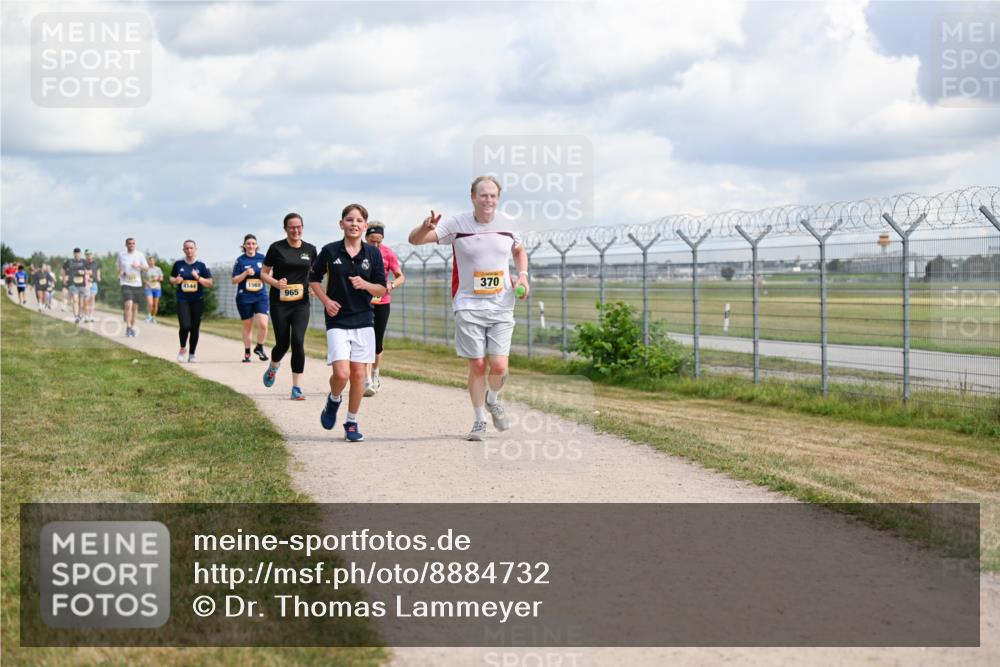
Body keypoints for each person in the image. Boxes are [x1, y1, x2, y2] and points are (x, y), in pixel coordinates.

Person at [408, 175, 529, 441]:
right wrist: (423, 226)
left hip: (501, 304)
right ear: (473, 197)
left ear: (498, 198)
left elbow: (519, 251)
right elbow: (415, 241)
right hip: (468, 304)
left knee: (499, 367)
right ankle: (478, 421)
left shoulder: (508, 224)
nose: (488, 200)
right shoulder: (457, 224)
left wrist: (522, 276)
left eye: (493, 195)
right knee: (476, 364)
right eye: (483, 195)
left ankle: (493, 399)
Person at [310, 203, 386, 442]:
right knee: (341, 374)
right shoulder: (330, 251)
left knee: (357, 376)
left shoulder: (372, 254)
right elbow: (313, 279)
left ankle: (351, 421)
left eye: (359, 220)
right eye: (349, 220)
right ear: (341, 224)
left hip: (364, 319)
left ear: (365, 225)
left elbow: (382, 288)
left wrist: (365, 285)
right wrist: (326, 300)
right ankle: (333, 400)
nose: (354, 224)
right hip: (337, 319)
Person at [261, 213, 317, 400]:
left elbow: (313, 273)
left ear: (302, 227)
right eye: (291, 227)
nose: (295, 230)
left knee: (298, 341)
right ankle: (274, 366)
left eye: (298, 226)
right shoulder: (276, 248)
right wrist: (276, 283)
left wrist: (314, 288)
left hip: (301, 303)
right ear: (285, 228)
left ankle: (296, 388)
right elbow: (264, 273)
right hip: (280, 303)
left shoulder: (310, 249)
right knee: (282, 344)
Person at [362, 221, 405, 396]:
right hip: (362, 302)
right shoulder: (359, 252)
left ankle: (375, 374)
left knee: (377, 341)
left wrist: (391, 285)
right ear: (366, 238)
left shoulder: (388, 253)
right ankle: (366, 381)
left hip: (382, 302)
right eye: (372, 240)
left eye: (379, 241)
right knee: (364, 339)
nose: (376, 244)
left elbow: (401, 276)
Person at [169, 240, 213, 363]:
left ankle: (192, 354)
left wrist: (198, 278)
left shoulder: (201, 265)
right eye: (186, 248)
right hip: (182, 299)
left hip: (197, 300)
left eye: (191, 248)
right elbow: (171, 278)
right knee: (185, 326)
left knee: (195, 328)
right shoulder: (178, 264)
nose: (189, 250)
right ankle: (183, 348)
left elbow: (210, 283)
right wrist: (175, 280)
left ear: (195, 249)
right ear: (183, 250)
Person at [231, 234, 270, 363]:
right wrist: (245, 273)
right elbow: (234, 280)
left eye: (253, 243)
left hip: (260, 296)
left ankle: (259, 346)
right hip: (245, 296)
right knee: (248, 325)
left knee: (263, 324)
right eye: (248, 243)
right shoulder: (240, 260)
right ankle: (247, 352)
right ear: (244, 246)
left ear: (256, 245)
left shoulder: (263, 258)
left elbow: (270, 275)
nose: (251, 246)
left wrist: (265, 275)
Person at [117, 237, 147, 338]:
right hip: (125, 283)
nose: (131, 245)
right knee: (128, 304)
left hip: (137, 284)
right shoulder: (121, 255)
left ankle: (131, 326)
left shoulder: (140, 255)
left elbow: (146, 268)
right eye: (129, 243)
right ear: (126, 245)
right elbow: (119, 267)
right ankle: (128, 327)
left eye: (133, 243)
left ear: (135, 244)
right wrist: (121, 273)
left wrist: (139, 266)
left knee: (134, 308)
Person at [63, 248, 89, 323]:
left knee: (81, 301)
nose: (77, 255)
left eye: (78, 253)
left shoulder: (84, 261)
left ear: (80, 254)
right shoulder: (69, 261)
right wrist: (64, 279)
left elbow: (90, 272)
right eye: (76, 253)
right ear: (73, 254)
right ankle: (76, 317)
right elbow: (63, 269)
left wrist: (84, 272)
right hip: (72, 283)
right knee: (75, 299)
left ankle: (80, 314)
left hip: (81, 283)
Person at [143, 255, 164, 323]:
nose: (151, 262)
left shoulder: (158, 269)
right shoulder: (146, 269)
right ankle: (149, 316)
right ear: (148, 262)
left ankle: (153, 317)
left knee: (155, 304)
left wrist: (157, 278)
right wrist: (146, 282)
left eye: (152, 261)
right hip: (148, 288)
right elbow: (143, 278)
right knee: (150, 303)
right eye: (150, 261)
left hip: (157, 288)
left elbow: (161, 278)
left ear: (154, 262)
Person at [83, 249, 101, 322]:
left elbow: (98, 271)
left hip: (94, 283)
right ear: (85, 255)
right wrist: (87, 274)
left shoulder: (96, 263)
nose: (89, 256)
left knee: (92, 298)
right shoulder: (83, 263)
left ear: (92, 255)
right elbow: (81, 272)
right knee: (87, 300)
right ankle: (86, 315)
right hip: (86, 283)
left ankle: (91, 315)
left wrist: (99, 277)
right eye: (87, 254)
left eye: (90, 254)